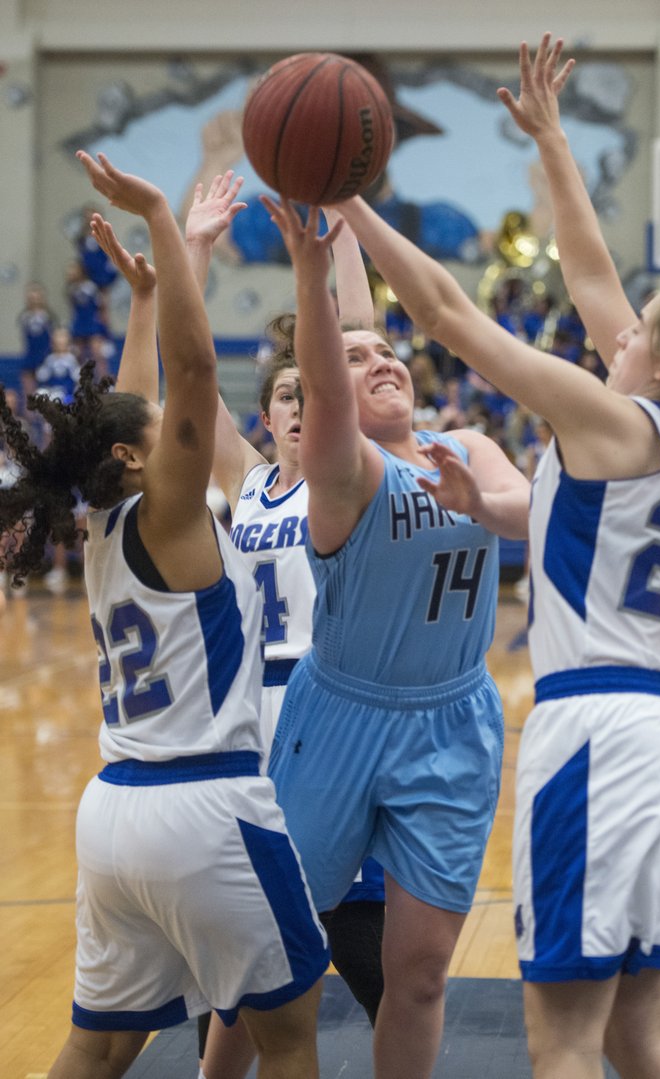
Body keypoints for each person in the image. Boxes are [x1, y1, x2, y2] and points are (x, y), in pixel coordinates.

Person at [333, 32, 660, 1079]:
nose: (616, 324)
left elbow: (448, 315)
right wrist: (548, 139)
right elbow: (587, 267)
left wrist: (348, 197)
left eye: (636, 327)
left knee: (564, 1043)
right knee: (642, 1032)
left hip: (596, 737)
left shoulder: (609, 418)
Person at [0, 151, 329, 1079]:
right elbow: (186, 375)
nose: (177, 422)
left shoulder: (103, 515)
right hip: (207, 805)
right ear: (141, 461)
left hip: (113, 812)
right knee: (293, 1035)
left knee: (98, 1045)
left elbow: (135, 399)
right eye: (162, 433)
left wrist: (145, 296)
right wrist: (159, 220)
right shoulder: (173, 513)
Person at [91, 178, 386, 1079]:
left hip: (324, 710)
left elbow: (358, 346)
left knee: (346, 944)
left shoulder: (349, 478)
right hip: (236, 721)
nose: (302, 401)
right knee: (251, 967)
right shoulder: (247, 481)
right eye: (286, 394)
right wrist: (194, 252)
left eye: (313, 388)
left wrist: (336, 239)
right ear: (267, 417)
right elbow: (176, 394)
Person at [260, 190, 531, 1079]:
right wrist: (315, 277)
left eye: (389, 351)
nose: (380, 359)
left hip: (451, 718)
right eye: (356, 357)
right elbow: (329, 375)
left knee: (416, 973)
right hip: (339, 714)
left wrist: (478, 502)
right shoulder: (341, 470)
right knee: (275, 953)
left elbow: (527, 513)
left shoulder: (467, 443)